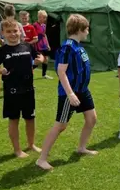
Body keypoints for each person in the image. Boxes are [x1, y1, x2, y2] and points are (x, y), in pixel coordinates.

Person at [36, 14, 98, 171]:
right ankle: (42, 159)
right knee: (61, 125)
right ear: (79, 29)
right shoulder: (67, 47)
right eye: (87, 29)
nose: (88, 32)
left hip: (83, 90)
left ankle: (81, 148)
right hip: (69, 93)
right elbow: (61, 71)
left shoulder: (78, 47)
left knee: (91, 119)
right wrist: (70, 94)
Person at [0, 19, 45, 158]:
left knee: (30, 118)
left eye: (15, 31)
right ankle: (17, 149)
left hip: (28, 90)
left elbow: (39, 57)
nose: (13, 34)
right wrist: (0, 71)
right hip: (11, 91)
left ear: (20, 32)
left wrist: (40, 61)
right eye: (9, 32)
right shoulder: (2, 51)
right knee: (14, 119)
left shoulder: (27, 47)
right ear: (3, 33)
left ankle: (31, 145)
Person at [34, 10, 53, 79]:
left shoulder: (44, 25)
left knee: (46, 59)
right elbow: (34, 35)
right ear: (39, 17)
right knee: (39, 60)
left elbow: (44, 35)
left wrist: (47, 44)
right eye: (43, 17)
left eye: (45, 18)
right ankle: (28, 71)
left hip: (44, 44)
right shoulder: (35, 25)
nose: (45, 19)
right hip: (37, 44)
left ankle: (44, 75)